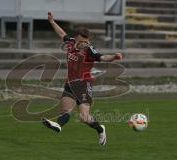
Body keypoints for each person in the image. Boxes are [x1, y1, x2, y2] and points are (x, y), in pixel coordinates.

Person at [42, 12, 123, 146]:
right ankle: (58, 125)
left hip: (84, 84)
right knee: (65, 110)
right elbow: (62, 33)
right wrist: (52, 21)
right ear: (77, 38)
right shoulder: (71, 43)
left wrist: (114, 57)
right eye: (81, 41)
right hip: (70, 83)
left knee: (84, 117)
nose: (84, 44)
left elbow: (102, 57)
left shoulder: (89, 50)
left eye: (86, 41)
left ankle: (100, 128)